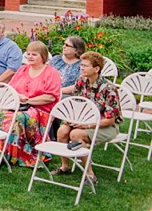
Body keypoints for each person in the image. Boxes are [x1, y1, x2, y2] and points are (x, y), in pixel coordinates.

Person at [0, 41, 61, 167]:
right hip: (18, 106)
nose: (30, 57)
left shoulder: (51, 72)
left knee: (17, 118)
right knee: (0, 113)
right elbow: (10, 88)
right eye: (28, 54)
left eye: (34, 54)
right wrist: (17, 97)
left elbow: (50, 97)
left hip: (40, 111)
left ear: (43, 57)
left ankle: (3, 153)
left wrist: (28, 100)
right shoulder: (22, 69)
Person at [52, 51, 122, 184]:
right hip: (82, 120)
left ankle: (90, 174)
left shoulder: (109, 88)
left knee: (76, 135)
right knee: (62, 131)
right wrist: (72, 120)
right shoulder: (81, 82)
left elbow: (110, 120)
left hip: (105, 125)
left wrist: (87, 125)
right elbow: (77, 105)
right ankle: (65, 166)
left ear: (96, 69)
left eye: (85, 66)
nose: (82, 68)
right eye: (81, 65)